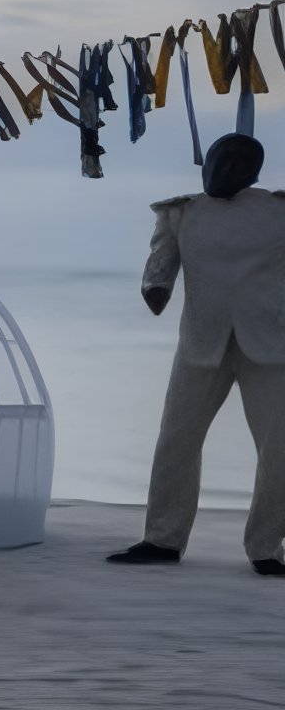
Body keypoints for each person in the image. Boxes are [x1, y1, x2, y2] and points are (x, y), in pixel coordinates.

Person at [110, 132, 285, 576]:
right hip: (200, 341)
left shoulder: (279, 209)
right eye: (218, 161)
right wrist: (156, 286)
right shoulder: (182, 211)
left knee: (279, 448)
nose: (223, 171)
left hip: (270, 342)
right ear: (204, 163)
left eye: (235, 165)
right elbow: (162, 257)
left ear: (252, 173)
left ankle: (266, 548)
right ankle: (162, 539)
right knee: (177, 439)